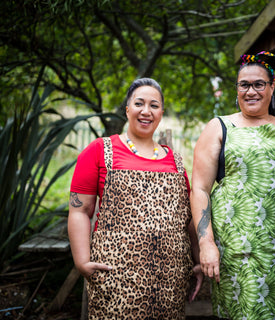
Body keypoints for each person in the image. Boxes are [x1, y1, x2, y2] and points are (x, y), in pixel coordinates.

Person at [68, 78, 203, 319]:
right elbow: (80, 210)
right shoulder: (100, 150)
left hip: (169, 281)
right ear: (127, 108)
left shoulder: (176, 161)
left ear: (161, 112)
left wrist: (197, 260)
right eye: (139, 103)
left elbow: (188, 219)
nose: (146, 111)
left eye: (154, 105)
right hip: (116, 278)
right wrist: (82, 262)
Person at [191, 52, 275, 320]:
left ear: (272, 87)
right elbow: (199, 189)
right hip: (237, 252)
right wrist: (206, 244)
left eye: (258, 84)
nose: (250, 91)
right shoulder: (219, 127)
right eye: (244, 85)